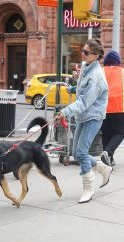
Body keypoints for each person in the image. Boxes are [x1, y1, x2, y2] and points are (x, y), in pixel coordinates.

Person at [56, 39, 113, 204]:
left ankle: (89, 189)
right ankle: (103, 168)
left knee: (81, 153)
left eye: (86, 52)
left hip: (93, 116)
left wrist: (64, 112)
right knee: (75, 152)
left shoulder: (96, 76)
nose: (83, 54)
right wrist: (74, 86)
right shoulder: (87, 67)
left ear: (96, 56)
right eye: (83, 50)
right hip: (83, 115)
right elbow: (83, 89)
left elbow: (84, 102)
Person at [101, 50, 124, 166]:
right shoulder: (122, 72)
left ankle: (108, 159)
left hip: (102, 108)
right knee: (120, 133)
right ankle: (108, 152)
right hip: (119, 108)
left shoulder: (101, 71)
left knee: (106, 133)